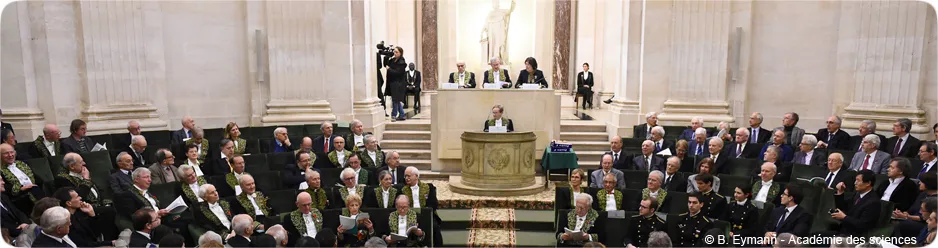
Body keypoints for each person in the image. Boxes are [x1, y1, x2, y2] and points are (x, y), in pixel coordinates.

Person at [832, 169, 881, 236]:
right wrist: (840, 192)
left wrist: (844, 217)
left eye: (858, 180)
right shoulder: (857, 194)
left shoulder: (874, 202)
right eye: (855, 180)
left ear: (868, 183)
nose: (855, 183)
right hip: (843, 231)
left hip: (855, 237)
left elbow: (864, 225)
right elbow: (843, 207)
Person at [1, 143, 44, 211]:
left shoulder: (22, 164)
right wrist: (21, 189)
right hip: (19, 197)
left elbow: (37, 179)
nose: (10, 155)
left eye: (12, 152)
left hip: (34, 190)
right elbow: (4, 187)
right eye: (6, 153)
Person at [385, 46, 408, 121]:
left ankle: (394, 114)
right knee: (396, 99)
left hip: (399, 83)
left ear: (400, 53)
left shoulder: (402, 62)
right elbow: (385, 64)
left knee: (395, 99)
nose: (394, 53)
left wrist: (389, 69)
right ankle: (402, 115)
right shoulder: (393, 60)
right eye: (394, 52)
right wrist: (387, 56)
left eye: (396, 52)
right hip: (392, 82)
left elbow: (398, 73)